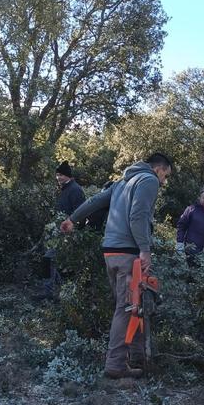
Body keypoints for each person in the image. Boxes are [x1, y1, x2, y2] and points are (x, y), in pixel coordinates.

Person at [60, 153, 174, 379]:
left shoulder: (122, 182)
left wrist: (72, 219)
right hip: (128, 253)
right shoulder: (148, 180)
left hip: (110, 251)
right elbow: (138, 216)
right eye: (165, 175)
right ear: (158, 169)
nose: (164, 182)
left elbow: (94, 201)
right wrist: (145, 249)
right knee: (126, 308)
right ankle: (115, 364)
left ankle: (138, 357)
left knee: (135, 305)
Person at [37, 161, 85, 300]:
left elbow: (81, 212)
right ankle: (53, 292)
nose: (58, 177)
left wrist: (74, 230)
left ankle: (58, 294)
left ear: (68, 176)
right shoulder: (65, 189)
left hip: (68, 234)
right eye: (57, 175)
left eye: (61, 175)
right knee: (52, 261)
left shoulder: (75, 190)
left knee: (51, 259)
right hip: (59, 233)